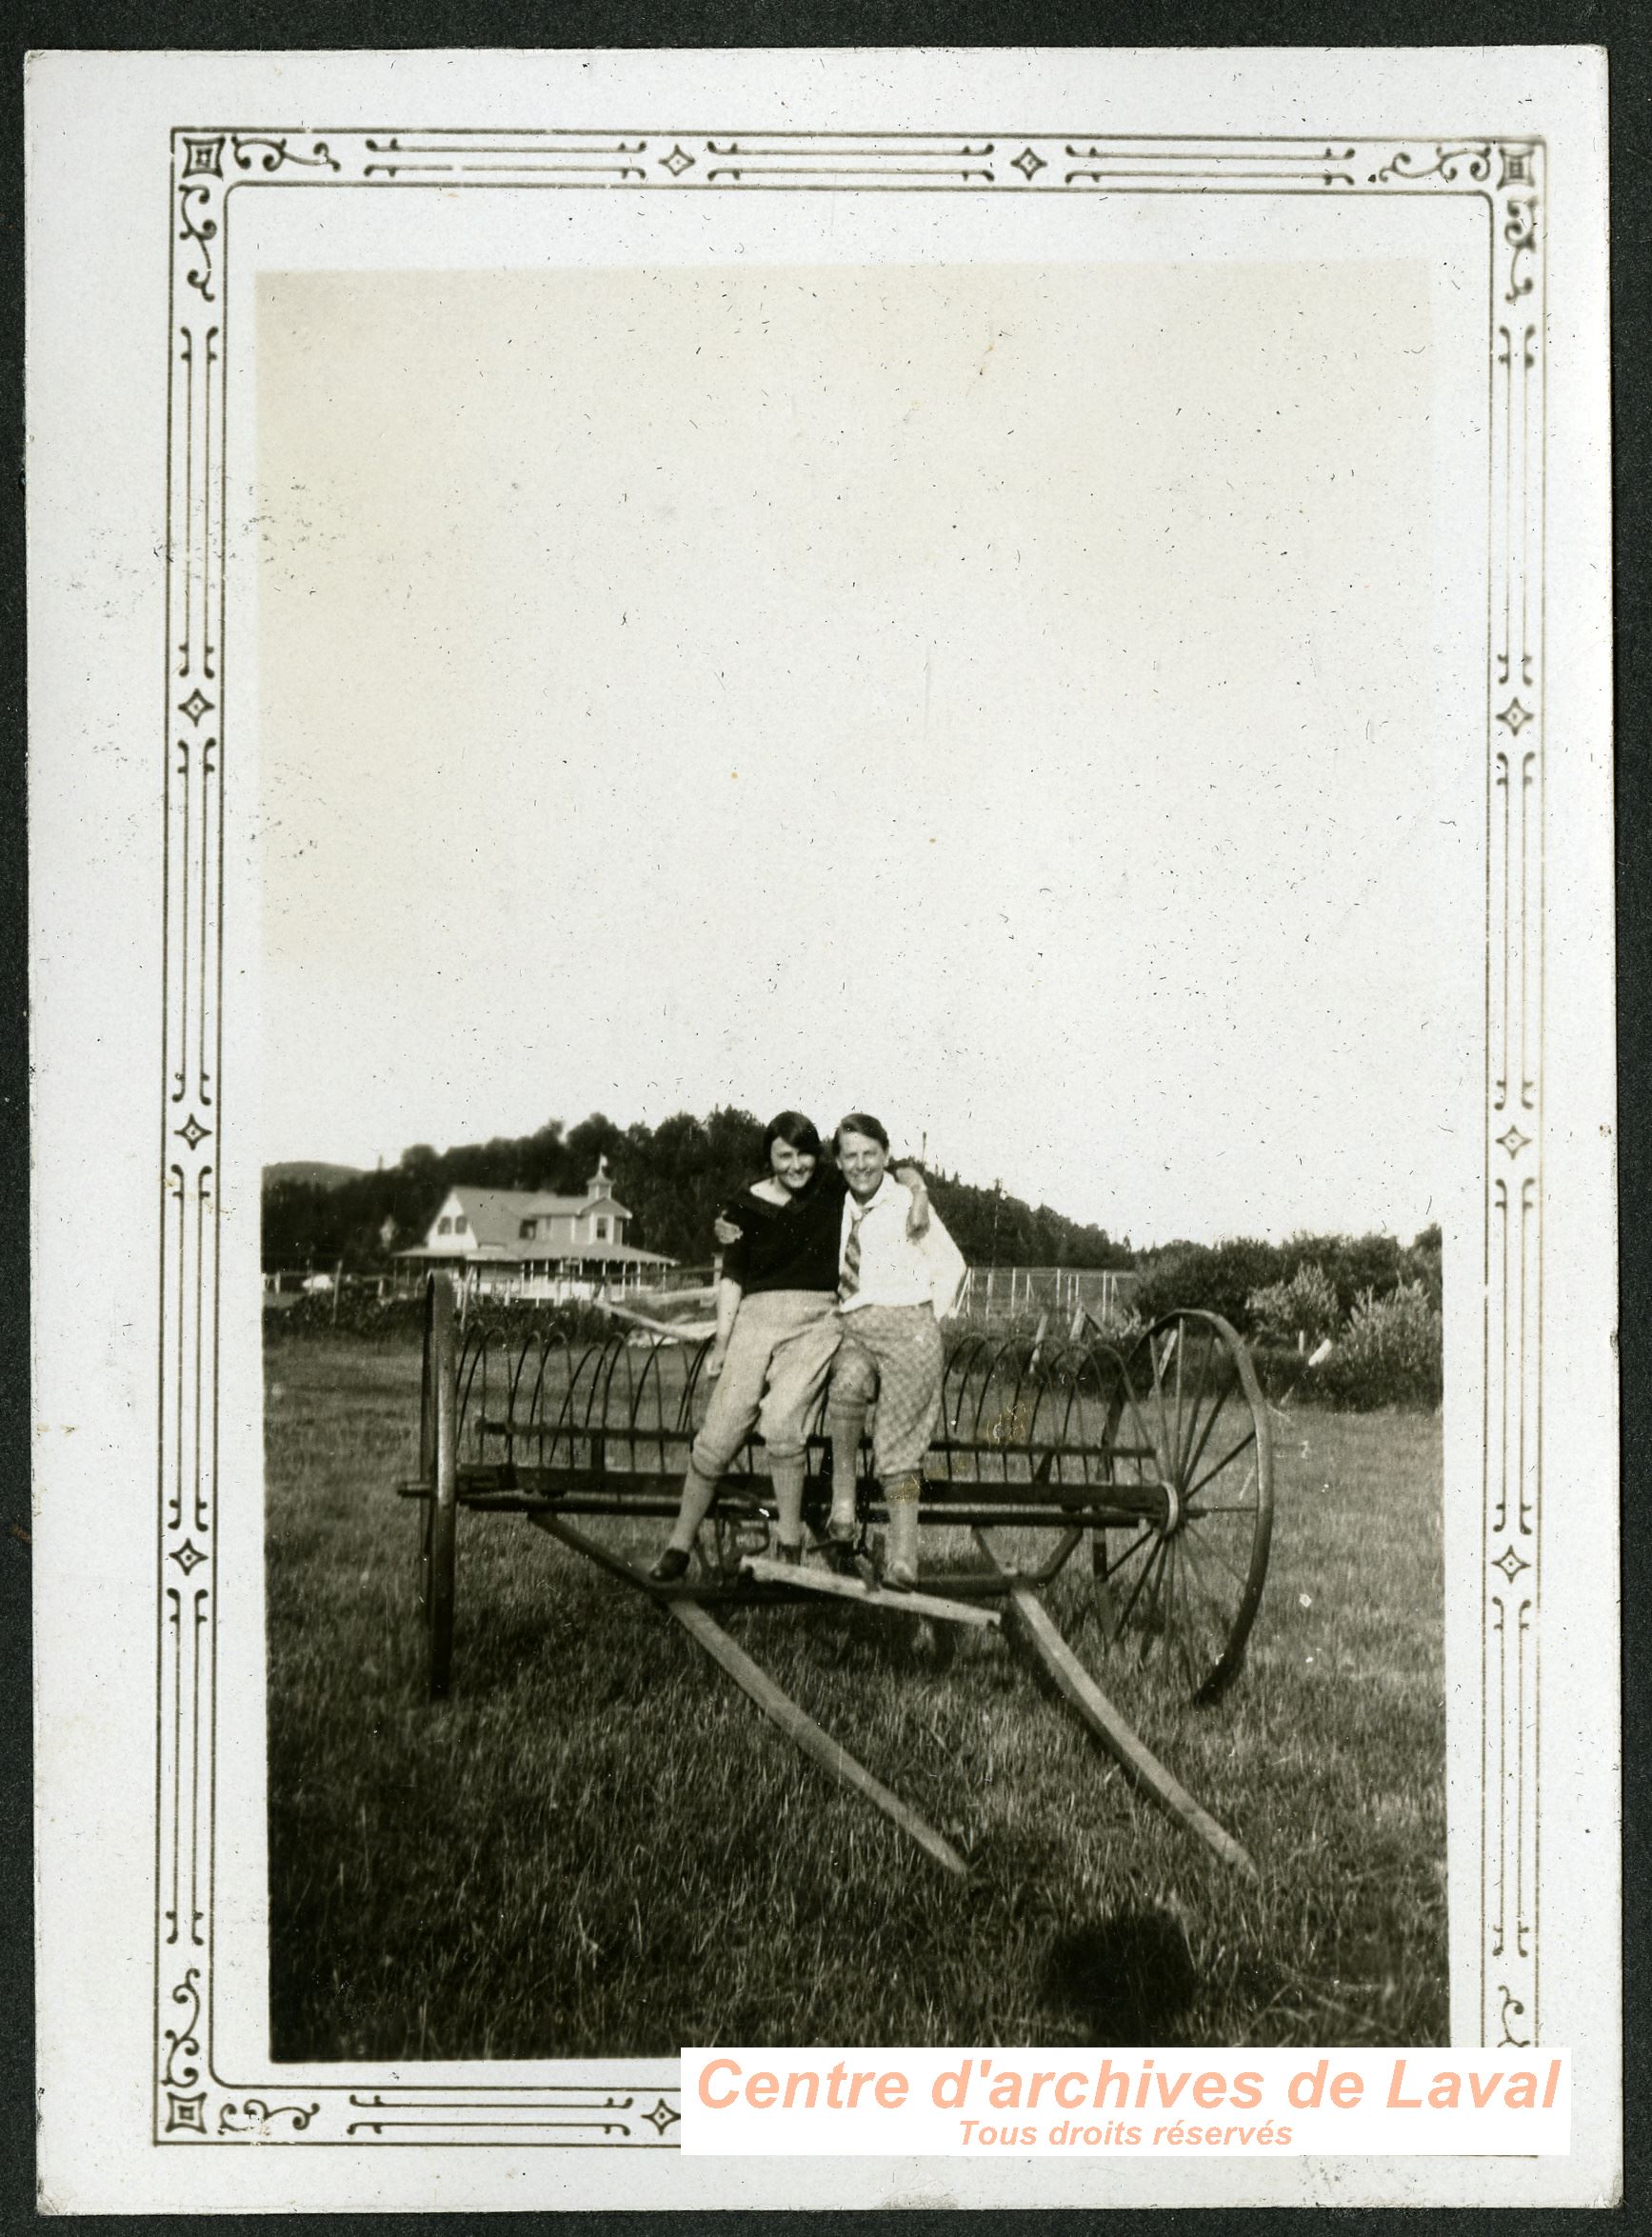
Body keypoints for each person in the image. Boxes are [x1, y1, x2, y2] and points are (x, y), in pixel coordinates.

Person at [648, 1112, 928, 1582]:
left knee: (783, 1422)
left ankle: (790, 1541)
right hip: (755, 1321)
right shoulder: (743, 1205)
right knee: (717, 1436)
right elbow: (733, 1277)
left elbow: (893, 1170)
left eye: (803, 1154)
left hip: (818, 1320)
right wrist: (722, 1342)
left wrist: (918, 1191)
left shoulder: (832, 1187)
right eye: (784, 1155)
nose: (795, 1165)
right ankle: (678, 1543)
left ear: (818, 1156)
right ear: (769, 1157)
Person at [824, 1113, 965, 1589]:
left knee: (900, 1448)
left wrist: (925, 1321)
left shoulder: (907, 1200)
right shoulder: (835, 1202)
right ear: (839, 1162)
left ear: (885, 1156)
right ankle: (842, 1505)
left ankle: (904, 1557)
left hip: (910, 1330)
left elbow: (952, 1266)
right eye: (850, 1156)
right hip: (856, 1327)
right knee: (844, 1388)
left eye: (869, 1154)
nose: (860, 1165)